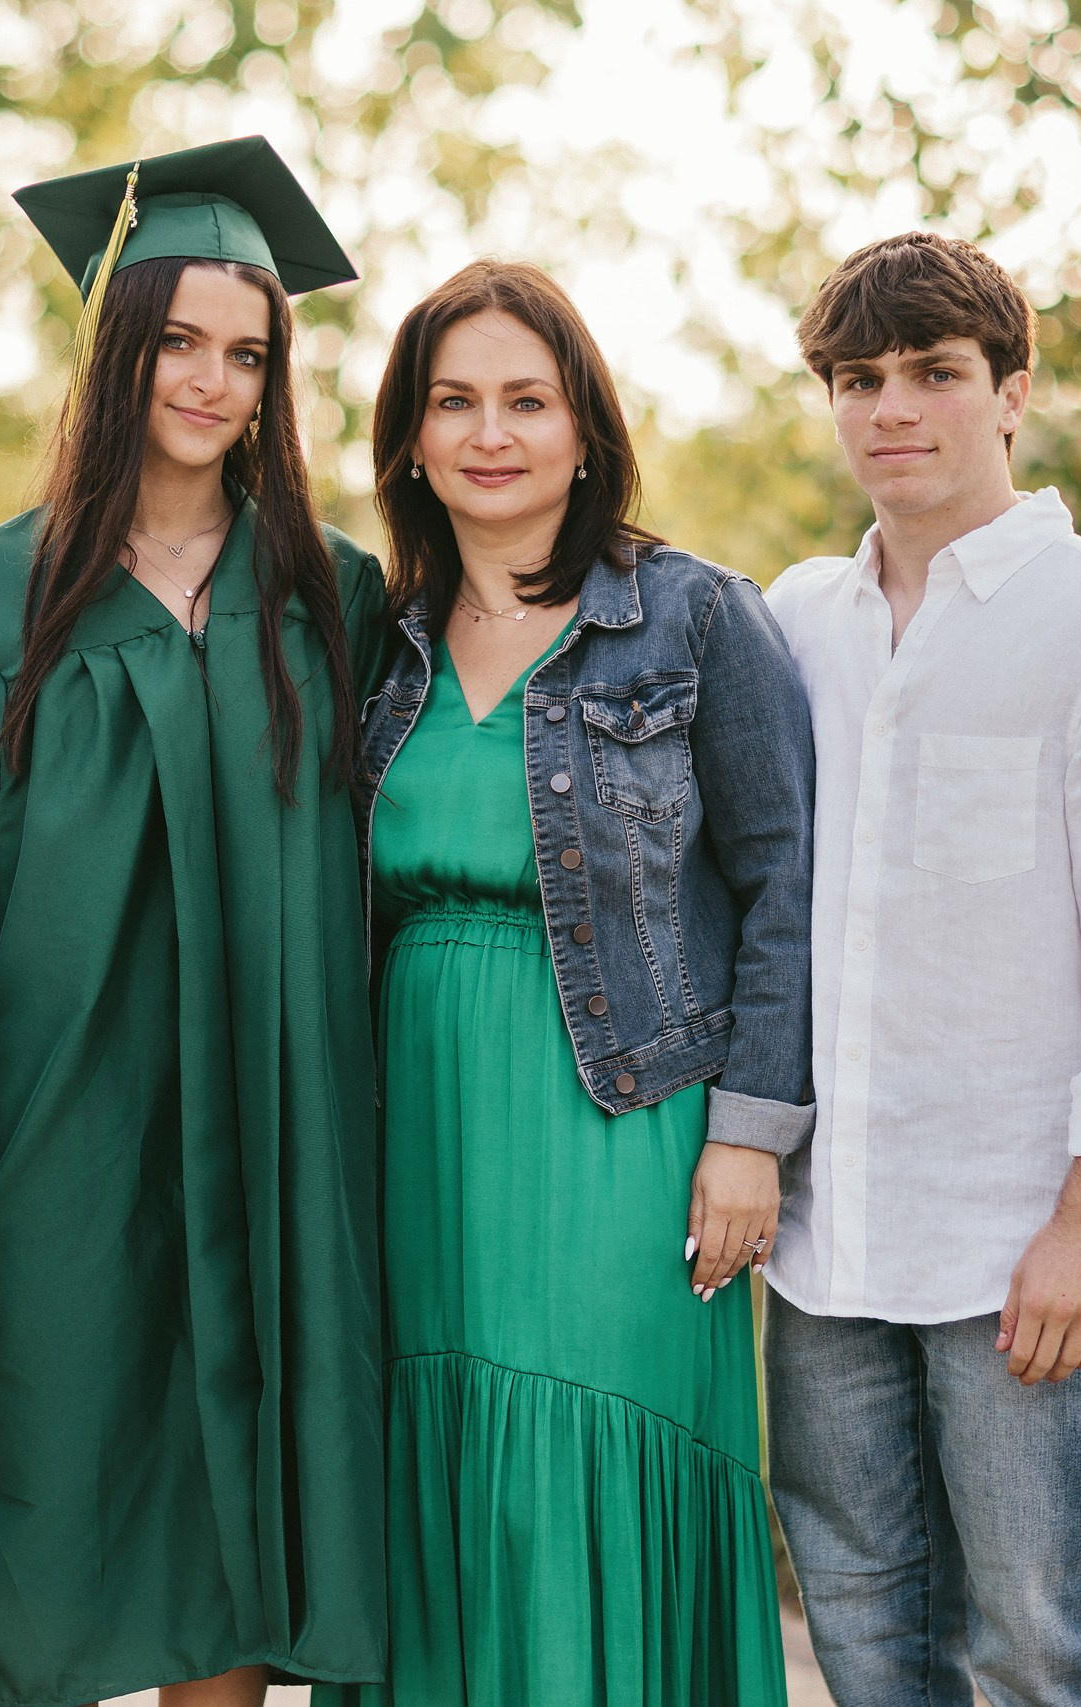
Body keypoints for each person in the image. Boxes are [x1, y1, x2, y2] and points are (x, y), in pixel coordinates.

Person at [0, 137, 388, 1707]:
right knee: (63, 1450)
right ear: (117, 347)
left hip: (281, 1111)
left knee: (228, 1495)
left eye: (248, 353)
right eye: (177, 342)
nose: (212, 382)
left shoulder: (333, 593)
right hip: (63, 1110)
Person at [315, 260, 815, 1707]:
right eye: (453, 401)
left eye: (525, 400)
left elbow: (786, 884)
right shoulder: (378, 641)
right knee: (441, 1463)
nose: (490, 432)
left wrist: (748, 1137)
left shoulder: (695, 617)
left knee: (592, 1448)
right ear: (409, 436)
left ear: (584, 426)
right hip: (414, 1112)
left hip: (621, 1115)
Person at [758, 231, 1081, 1705]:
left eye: (936, 374)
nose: (894, 407)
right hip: (833, 1241)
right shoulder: (796, 624)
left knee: (1035, 1639)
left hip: (1025, 1240)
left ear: (1011, 392)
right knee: (863, 1628)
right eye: (860, 378)